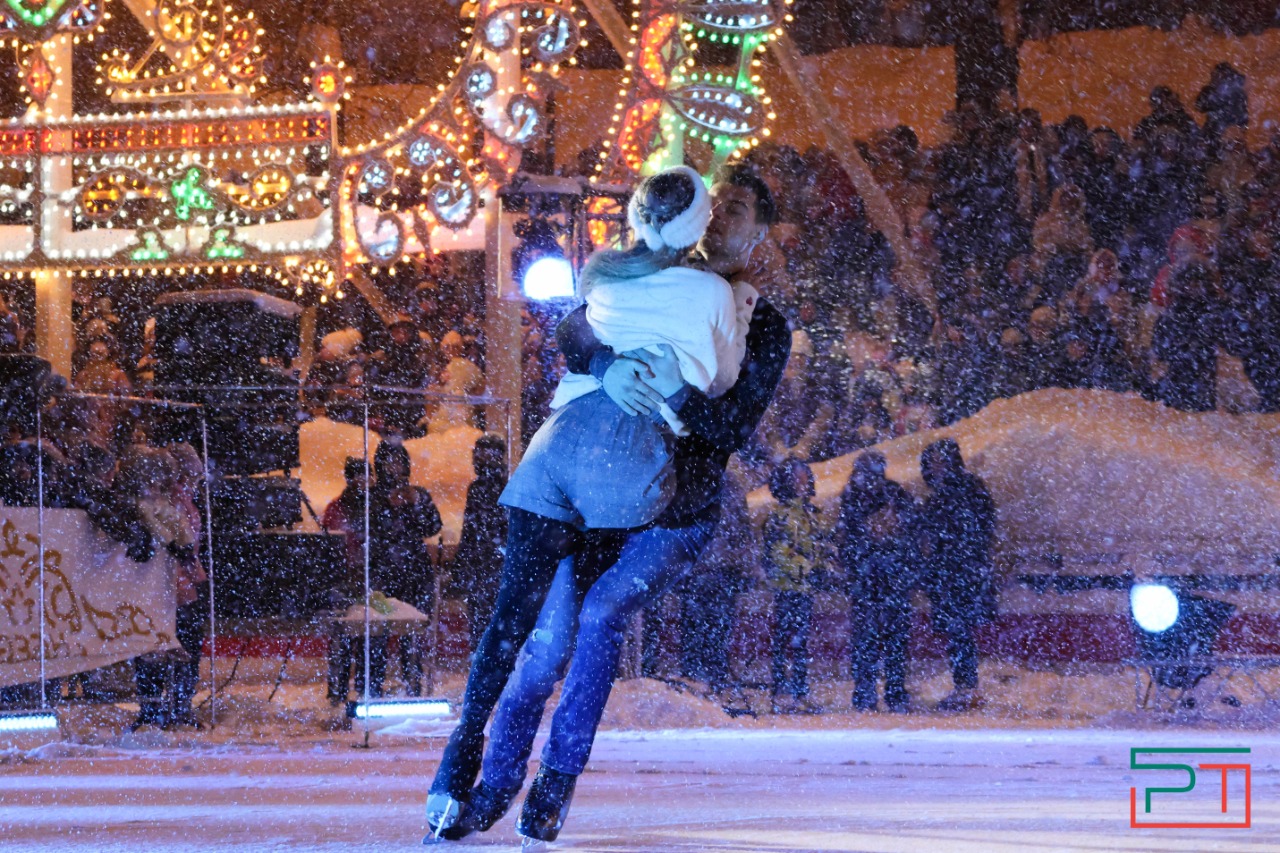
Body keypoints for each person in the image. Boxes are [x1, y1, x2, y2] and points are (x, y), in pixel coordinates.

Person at [426, 164, 789, 844]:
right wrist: (609, 368)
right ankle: (491, 787)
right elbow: (572, 328)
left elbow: (732, 427)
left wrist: (670, 391)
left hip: (677, 512)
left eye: (735, 209)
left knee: (600, 614)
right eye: (716, 203)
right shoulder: (649, 274)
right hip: (593, 499)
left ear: (760, 233)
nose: (717, 218)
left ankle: (556, 781)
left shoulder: (763, 325)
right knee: (544, 642)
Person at [917, 439, 997, 712]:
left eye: (941, 461)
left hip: (959, 573)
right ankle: (965, 686)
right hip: (953, 573)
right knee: (958, 632)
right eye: (933, 462)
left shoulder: (962, 491)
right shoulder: (954, 493)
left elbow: (979, 528)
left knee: (959, 631)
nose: (937, 467)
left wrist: (953, 550)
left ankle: (966, 687)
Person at [840, 451, 917, 713]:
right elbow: (850, 539)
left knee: (881, 639)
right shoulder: (858, 497)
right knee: (876, 639)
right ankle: (876, 693)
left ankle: (879, 693)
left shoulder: (876, 495)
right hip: (878, 576)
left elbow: (909, 530)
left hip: (882, 576)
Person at [366, 440, 442, 697]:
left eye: (398, 461)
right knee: (377, 632)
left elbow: (432, 527)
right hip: (383, 574)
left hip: (414, 573)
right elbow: (367, 531)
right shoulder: (372, 497)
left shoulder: (416, 493)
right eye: (388, 461)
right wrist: (386, 506)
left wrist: (417, 503)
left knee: (412, 633)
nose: (394, 467)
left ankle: (413, 685)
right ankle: (373, 687)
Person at [762, 457, 826, 715]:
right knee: (787, 641)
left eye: (804, 478)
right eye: (797, 479)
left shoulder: (809, 514)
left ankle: (798, 691)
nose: (802, 483)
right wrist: (807, 568)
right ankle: (782, 691)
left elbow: (817, 545)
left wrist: (822, 565)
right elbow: (778, 552)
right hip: (788, 587)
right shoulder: (781, 516)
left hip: (803, 587)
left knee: (800, 643)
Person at [451, 435, 508, 652]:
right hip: (483, 564)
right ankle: (485, 657)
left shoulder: (498, 486)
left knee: (487, 618)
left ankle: (487, 658)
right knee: (482, 618)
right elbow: (471, 529)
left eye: (488, 453)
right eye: (480, 453)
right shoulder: (479, 487)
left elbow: (487, 528)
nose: (482, 458)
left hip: (490, 564)